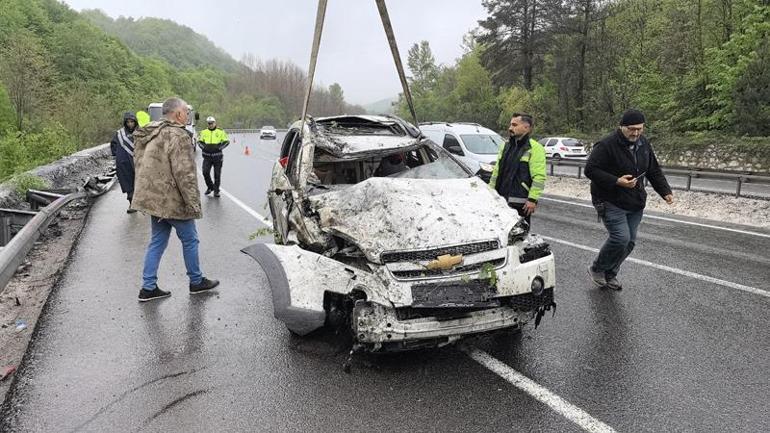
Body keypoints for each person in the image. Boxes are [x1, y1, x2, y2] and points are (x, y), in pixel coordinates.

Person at [131, 97, 219, 302]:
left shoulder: (151, 133)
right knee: (190, 240)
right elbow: (184, 174)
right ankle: (196, 281)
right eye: (186, 112)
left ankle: (148, 287)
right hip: (172, 200)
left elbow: (139, 164)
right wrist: (192, 203)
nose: (187, 115)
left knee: (157, 242)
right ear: (178, 114)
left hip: (154, 199)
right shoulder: (178, 135)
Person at [585, 109, 673, 291]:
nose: (636, 133)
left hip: (634, 201)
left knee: (630, 242)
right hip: (609, 199)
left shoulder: (643, 143)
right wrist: (617, 181)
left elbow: (653, 170)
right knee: (620, 238)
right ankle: (597, 269)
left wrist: (665, 191)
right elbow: (590, 170)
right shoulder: (606, 145)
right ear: (622, 127)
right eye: (632, 129)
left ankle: (610, 274)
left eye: (639, 129)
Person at [489, 113, 547, 227]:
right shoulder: (505, 146)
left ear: (526, 127)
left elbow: (539, 177)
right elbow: (496, 172)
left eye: (514, 125)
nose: (510, 128)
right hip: (500, 200)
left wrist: (532, 199)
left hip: (520, 203)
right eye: (510, 124)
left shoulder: (535, 148)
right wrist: (490, 192)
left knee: (518, 234)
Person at [109, 112, 138, 213]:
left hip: (138, 162)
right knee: (128, 184)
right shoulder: (119, 134)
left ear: (135, 122)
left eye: (132, 122)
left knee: (140, 183)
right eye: (128, 122)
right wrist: (119, 156)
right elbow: (113, 146)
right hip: (125, 163)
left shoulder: (141, 132)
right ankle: (132, 204)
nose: (130, 124)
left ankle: (143, 204)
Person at [197, 116, 230, 197]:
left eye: (212, 123)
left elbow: (227, 141)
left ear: (215, 123)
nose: (210, 125)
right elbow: (199, 142)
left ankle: (216, 191)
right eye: (209, 123)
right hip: (207, 157)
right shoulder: (204, 132)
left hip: (217, 157)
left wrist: (219, 148)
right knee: (205, 172)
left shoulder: (220, 131)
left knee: (217, 175)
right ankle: (210, 187)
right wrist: (204, 147)